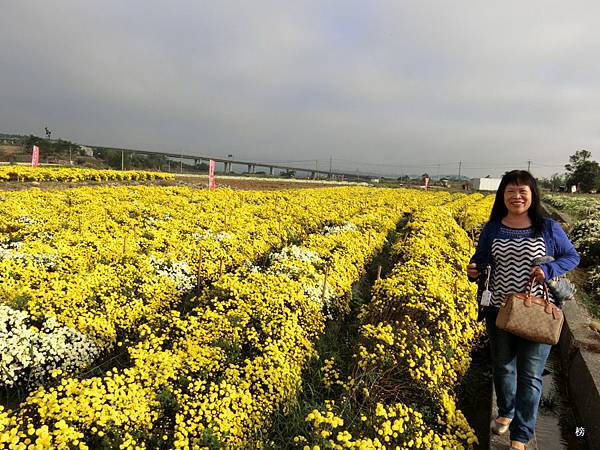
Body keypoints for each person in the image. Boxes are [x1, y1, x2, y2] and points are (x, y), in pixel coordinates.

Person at [466, 170, 579, 450]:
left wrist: (549, 268)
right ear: (502, 195)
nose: (516, 197)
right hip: (499, 310)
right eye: (510, 191)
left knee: (530, 374)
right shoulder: (493, 228)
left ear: (532, 195)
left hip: (537, 311)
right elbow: (480, 262)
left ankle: (521, 435)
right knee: (503, 367)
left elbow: (572, 256)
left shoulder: (548, 227)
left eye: (522, 191)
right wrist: (473, 270)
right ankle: (506, 412)